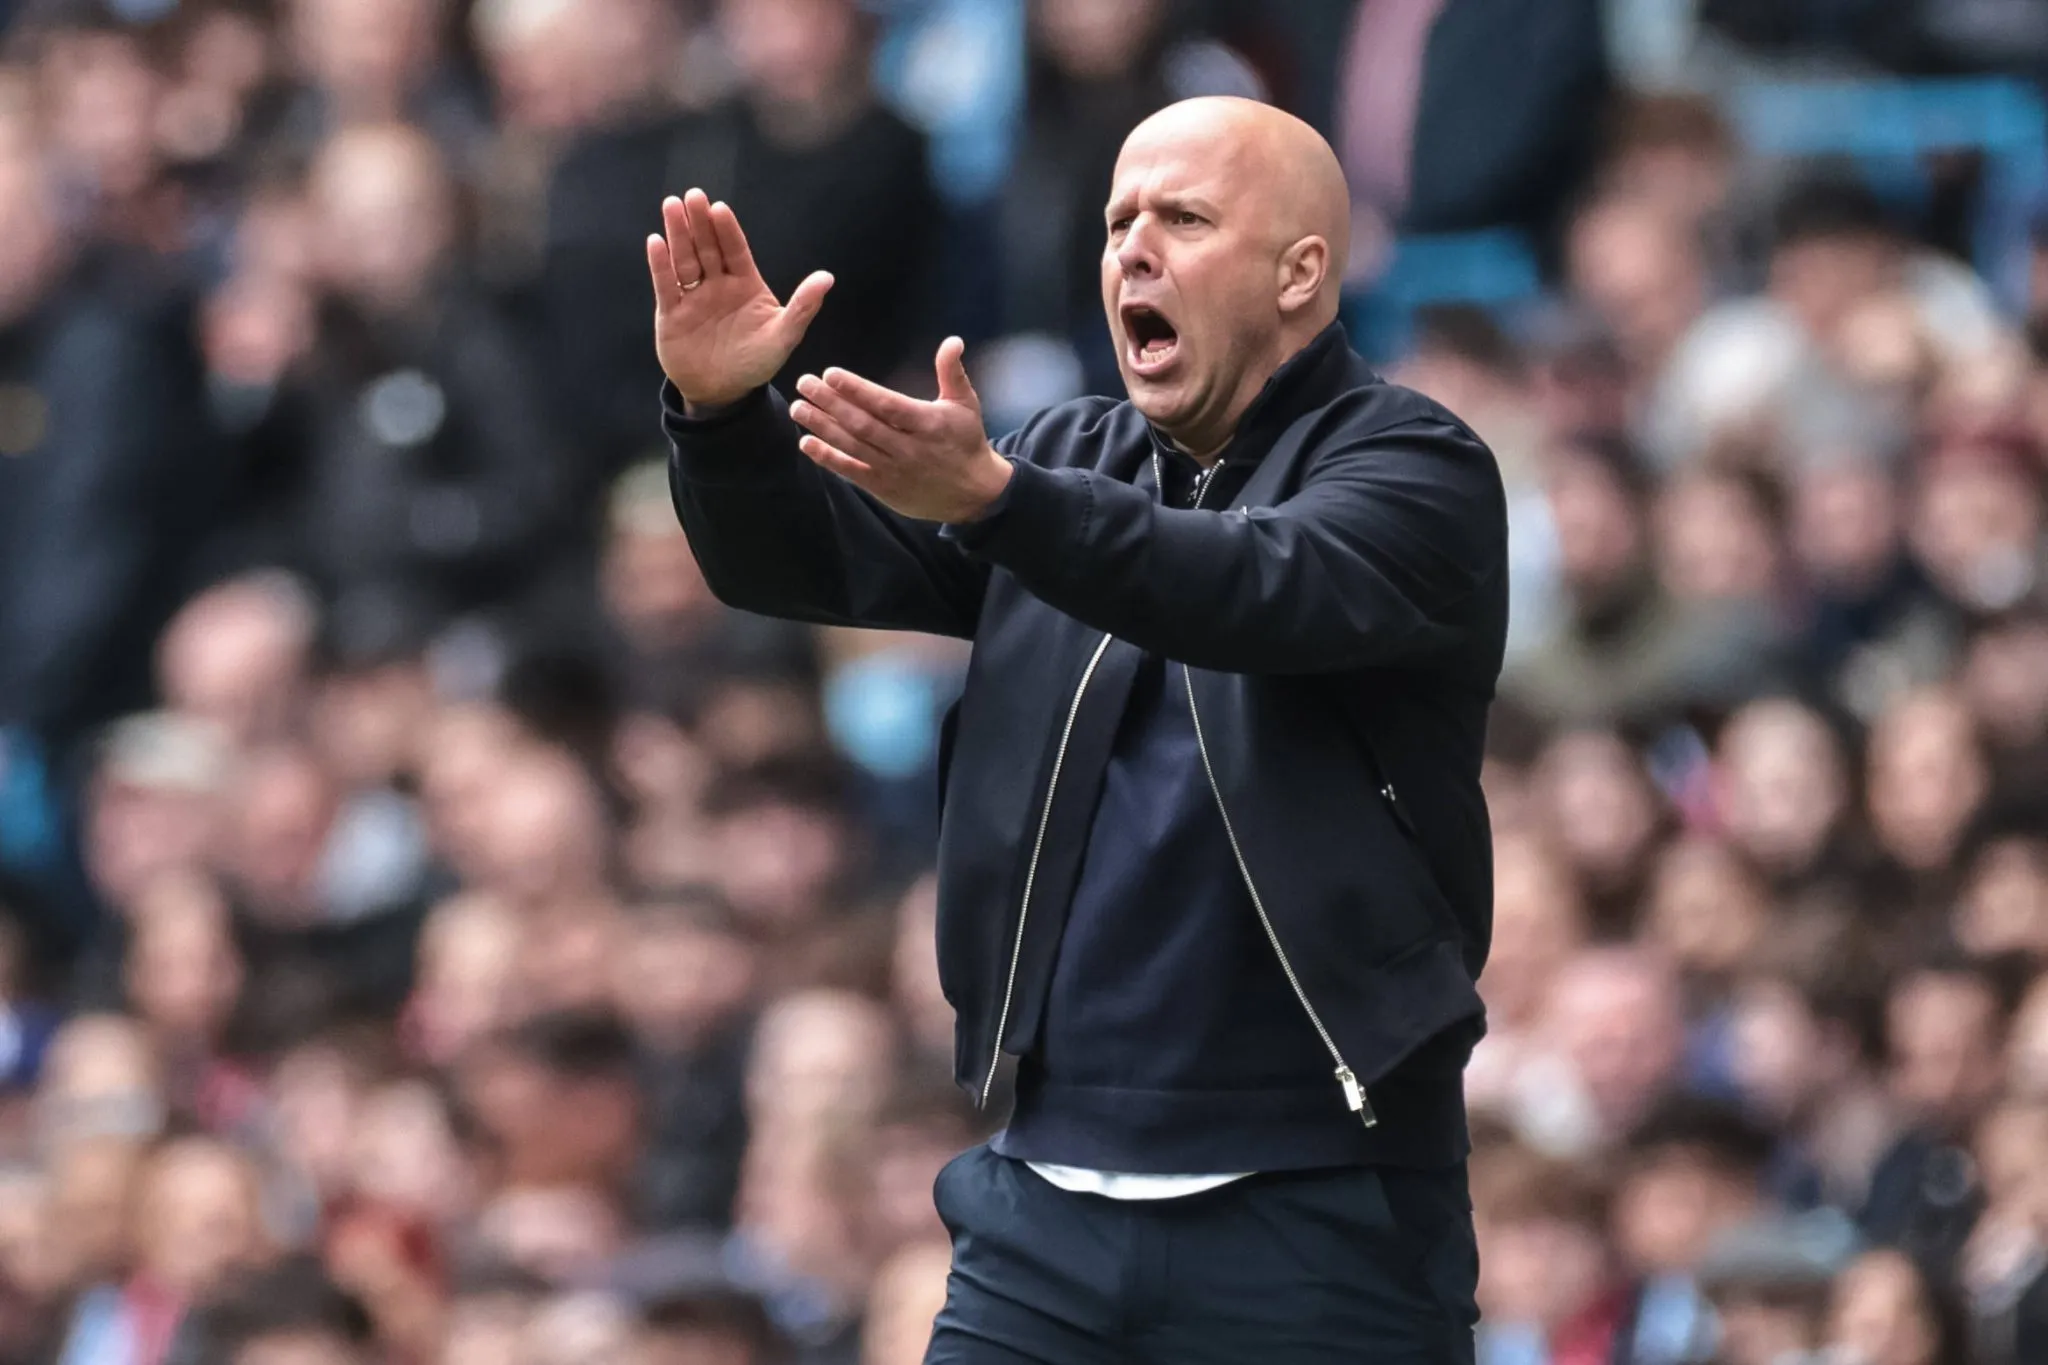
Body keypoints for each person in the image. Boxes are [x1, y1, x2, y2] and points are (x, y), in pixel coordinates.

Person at [652, 94, 1507, 1363]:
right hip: (1041, 1212)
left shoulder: (1414, 468)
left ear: (1299, 271)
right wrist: (721, 420)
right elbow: (808, 565)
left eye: (1183, 217)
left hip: (1319, 1208)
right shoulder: (1063, 462)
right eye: (1116, 222)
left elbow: (1243, 586)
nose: (1132, 250)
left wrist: (1003, 503)